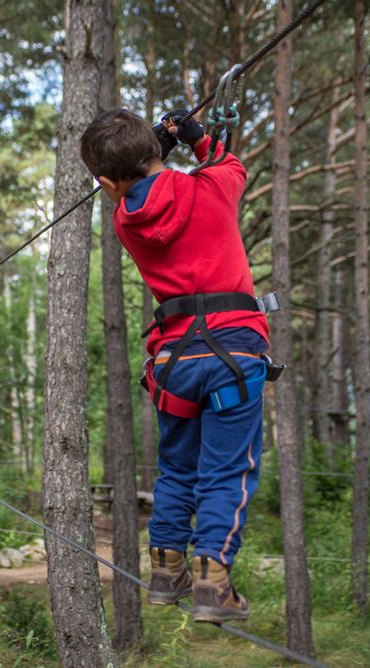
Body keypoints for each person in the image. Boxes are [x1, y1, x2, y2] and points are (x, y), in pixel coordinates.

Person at [80, 108, 278, 623]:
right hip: (233, 352)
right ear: (151, 154)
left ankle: (167, 570)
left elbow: (142, 190)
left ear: (105, 181)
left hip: (175, 362)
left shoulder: (126, 220)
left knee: (178, 469)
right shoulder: (211, 188)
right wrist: (194, 137)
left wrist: (155, 150)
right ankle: (214, 579)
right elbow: (228, 164)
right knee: (226, 470)